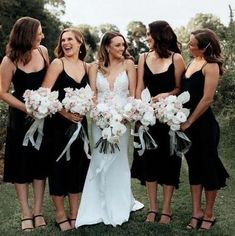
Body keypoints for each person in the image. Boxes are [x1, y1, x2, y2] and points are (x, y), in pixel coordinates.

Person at [75, 31, 144, 228]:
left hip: (122, 119)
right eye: (117, 45)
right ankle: (96, 205)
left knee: (119, 159)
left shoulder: (129, 64)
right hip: (100, 119)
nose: (122, 48)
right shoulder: (94, 67)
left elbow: (132, 93)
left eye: (123, 45)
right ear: (106, 47)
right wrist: (98, 114)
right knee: (99, 158)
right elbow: (92, 95)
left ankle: (120, 204)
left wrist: (125, 115)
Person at [131, 20, 185, 224]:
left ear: (160, 35)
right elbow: (138, 89)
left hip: (169, 118)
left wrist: (166, 96)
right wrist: (138, 113)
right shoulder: (143, 57)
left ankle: (166, 210)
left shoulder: (176, 58)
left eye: (149, 34)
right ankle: (153, 209)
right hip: (147, 119)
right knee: (149, 163)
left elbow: (180, 88)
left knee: (170, 161)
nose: (146, 38)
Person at [0, 17, 49, 231]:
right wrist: (26, 108)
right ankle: (25, 211)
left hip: (44, 118)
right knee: (21, 164)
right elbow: (2, 92)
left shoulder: (44, 52)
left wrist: (45, 106)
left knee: (39, 164)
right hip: (20, 119)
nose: (42, 36)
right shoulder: (8, 60)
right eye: (39, 32)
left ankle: (38, 210)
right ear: (28, 34)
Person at [42, 28, 90, 231]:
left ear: (80, 42)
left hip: (80, 126)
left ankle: (75, 213)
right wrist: (65, 113)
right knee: (58, 168)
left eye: (70, 39)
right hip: (58, 125)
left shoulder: (88, 67)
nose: (65, 43)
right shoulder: (57, 63)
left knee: (78, 168)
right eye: (63, 40)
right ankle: (60, 215)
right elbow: (44, 93)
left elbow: (93, 95)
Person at [181, 29, 229, 231]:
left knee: (208, 167)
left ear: (205, 46)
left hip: (204, 125)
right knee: (194, 167)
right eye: (189, 43)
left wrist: (190, 121)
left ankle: (209, 213)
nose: (188, 47)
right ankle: (196, 212)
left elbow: (207, 99)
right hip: (187, 124)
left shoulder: (211, 66)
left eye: (192, 44)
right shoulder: (192, 62)